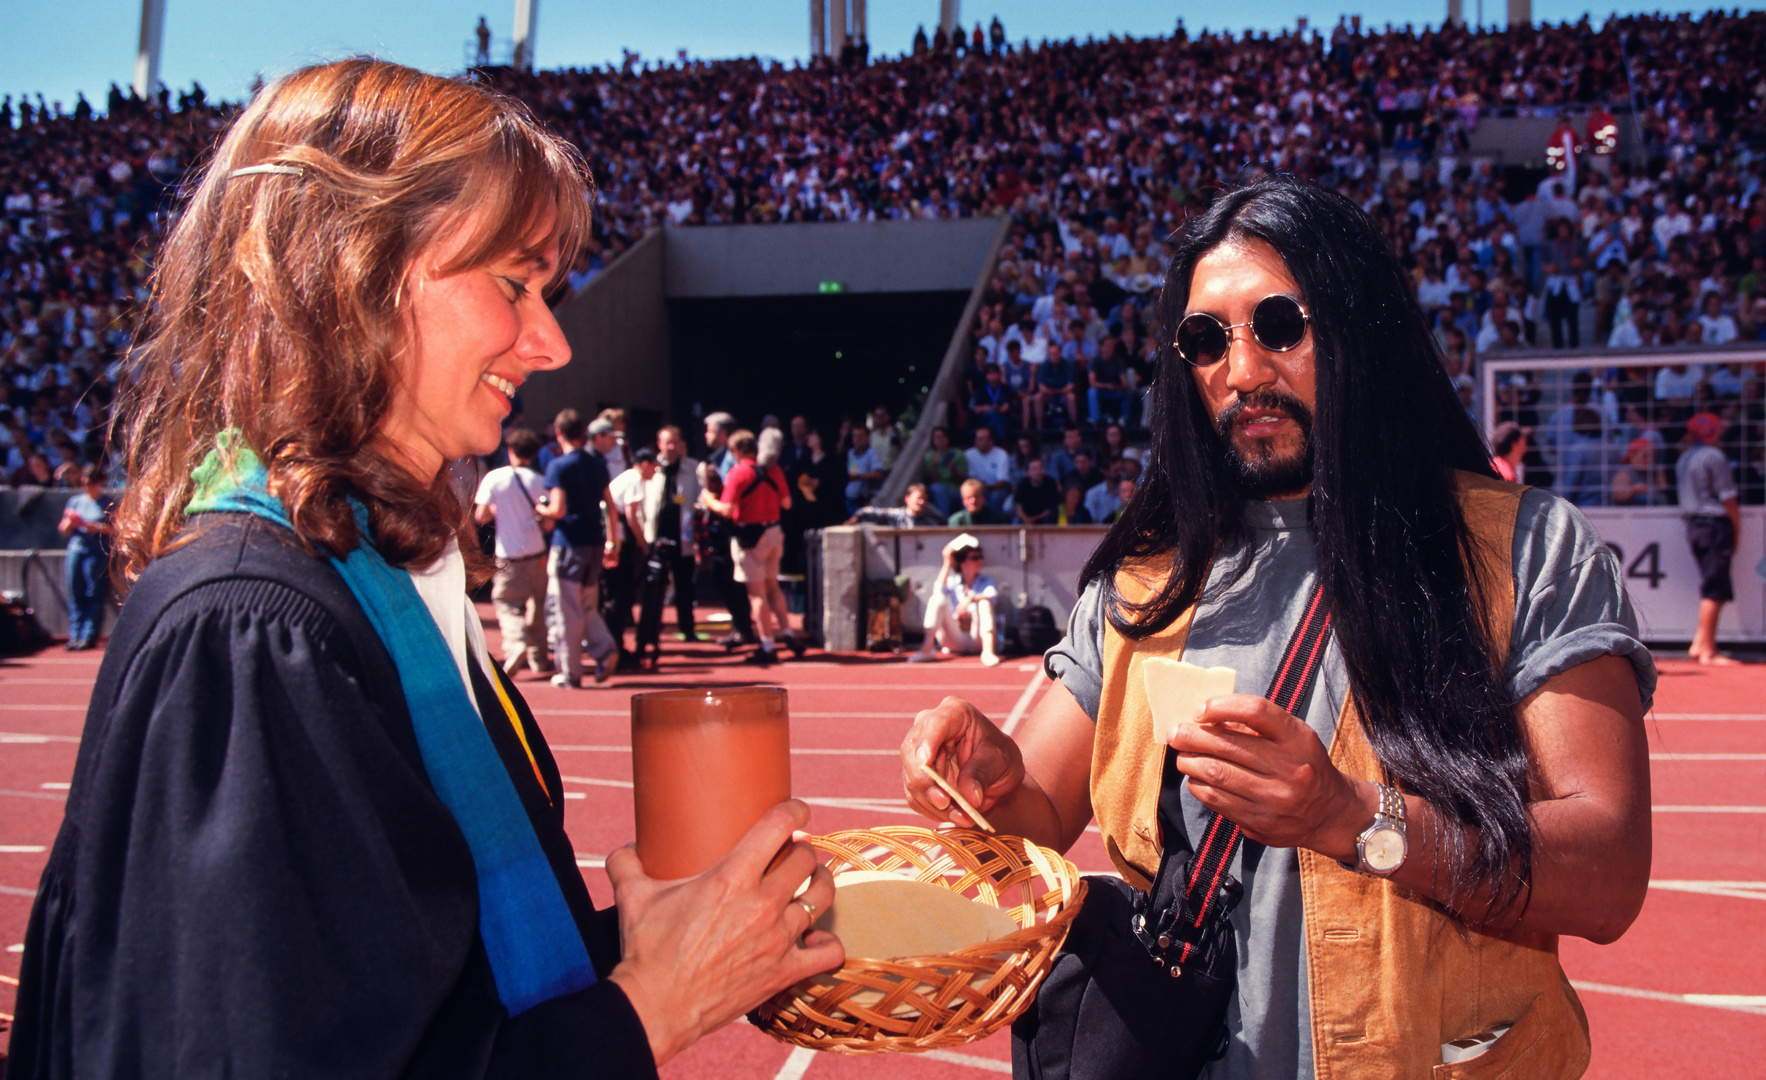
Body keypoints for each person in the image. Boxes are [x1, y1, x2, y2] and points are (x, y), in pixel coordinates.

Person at [9, 60, 842, 1080]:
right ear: (349, 270)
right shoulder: (254, 627)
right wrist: (646, 1007)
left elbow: (414, 967)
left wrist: (666, 941)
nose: (551, 341)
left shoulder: (369, 575)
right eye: (512, 282)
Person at [900, 179, 1652, 1078]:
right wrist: (984, 780)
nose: (1243, 370)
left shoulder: (1526, 547)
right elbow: (1037, 821)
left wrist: (1353, 817)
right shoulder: (1145, 580)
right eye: (1206, 338)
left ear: (1358, 325)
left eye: (1280, 325)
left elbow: (1607, 872)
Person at [704, 428, 801, 666]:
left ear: (736, 451)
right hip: (773, 532)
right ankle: (787, 633)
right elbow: (787, 503)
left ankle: (767, 644)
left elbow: (726, 509)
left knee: (757, 593)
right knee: (773, 586)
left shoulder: (738, 472)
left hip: (749, 536)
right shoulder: (773, 470)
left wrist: (708, 499)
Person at [541, 413, 621, 687]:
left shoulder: (558, 466)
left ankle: (570, 671)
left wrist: (540, 509)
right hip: (595, 543)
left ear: (559, 433)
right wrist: (613, 542)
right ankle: (604, 648)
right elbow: (610, 506)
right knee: (587, 604)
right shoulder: (597, 464)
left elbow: (557, 508)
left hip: (569, 543)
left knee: (566, 609)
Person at [472, 426, 552, 676]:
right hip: (537, 551)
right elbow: (548, 521)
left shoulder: (495, 478)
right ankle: (539, 657)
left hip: (508, 553)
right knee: (537, 604)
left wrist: (499, 511)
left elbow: (480, 515)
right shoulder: (540, 481)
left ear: (510, 451)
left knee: (507, 603)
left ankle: (516, 643)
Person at [1677, 411, 1741, 665]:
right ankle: (1708, 650)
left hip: (1695, 525)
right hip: (1714, 525)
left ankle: (1699, 642)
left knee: (1712, 584)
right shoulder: (1714, 456)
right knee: (1715, 588)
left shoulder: (1684, 458)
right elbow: (1728, 498)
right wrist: (1736, 528)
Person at [637, 426, 703, 653]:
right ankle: (650, 634)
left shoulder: (693, 469)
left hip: (682, 536)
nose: (671, 447)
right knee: (653, 589)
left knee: (685, 587)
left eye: (675, 442)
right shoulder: (651, 469)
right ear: (659, 444)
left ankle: (688, 629)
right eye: (667, 443)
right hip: (656, 536)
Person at [907, 535, 1001, 667]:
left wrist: (970, 599)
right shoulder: (952, 581)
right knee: (936, 599)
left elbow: (993, 597)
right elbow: (937, 590)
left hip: (977, 637)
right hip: (956, 638)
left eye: (980, 557)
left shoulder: (986, 581)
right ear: (962, 561)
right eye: (974, 558)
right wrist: (947, 561)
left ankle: (989, 651)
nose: (979, 561)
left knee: (984, 602)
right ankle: (927, 649)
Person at [605, 446, 657, 671]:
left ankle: (614, 645)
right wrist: (644, 544)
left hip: (615, 538)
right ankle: (614, 647)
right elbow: (631, 516)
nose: (655, 471)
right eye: (654, 466)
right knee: (620, 596)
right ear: (645, 464)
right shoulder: (635, 479)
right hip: (620, 541)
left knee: (617, 597)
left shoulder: (627, 477)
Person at [57, 463, 114, 650]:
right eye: (85, 483)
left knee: (93, 592)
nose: (87, 487)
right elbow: (63, 528)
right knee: (75, 591)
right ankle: (75, 634)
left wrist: (95, 527)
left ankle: (89, 635)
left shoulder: (108, 503)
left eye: (91, 483)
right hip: (76, 548)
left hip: (96, 550)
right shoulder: (76, 501)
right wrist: (71, 524)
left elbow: (117, 529)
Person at [920, 424, 969, 515]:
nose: (938, 440)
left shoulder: (958, 454)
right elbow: (932, 481)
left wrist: (953, 470)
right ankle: (944, 521)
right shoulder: (929, 456)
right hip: (937, 490)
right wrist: (933, 465)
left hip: (955, 490)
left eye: (940, 437)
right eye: (935, 438)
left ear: (947, 439)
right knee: (938, 488)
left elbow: (963, 479)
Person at [847, 482, 946, 528]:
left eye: (924, 499)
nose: (922, 502)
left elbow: (944, 520)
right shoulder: (898, 515)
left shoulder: (931, 517)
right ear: (907, 499)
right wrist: (856, 518)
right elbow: (869, 511)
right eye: (919, 499)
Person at [1013, 456, 1061, 524]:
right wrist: (1025, 519)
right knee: (1016, 520)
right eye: (1034, 469)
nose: (1038, 472)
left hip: (1044, 517)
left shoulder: (1050, 482)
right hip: (1027, 516)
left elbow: (1050, 510)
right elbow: (1018, 508)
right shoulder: (1022, 484)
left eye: (1040, 468)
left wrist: (1032, 519)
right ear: (1027, 472)